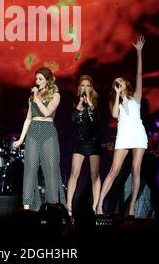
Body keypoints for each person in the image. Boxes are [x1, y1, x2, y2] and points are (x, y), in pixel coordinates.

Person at [97, 35, 148, 217]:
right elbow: (114, 115)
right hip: (124, 135)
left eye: (120, 82)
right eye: (115, 84)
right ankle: (99, 205)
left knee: (136, 170)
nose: (118, 84)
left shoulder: (136, 98)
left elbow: (139, 75)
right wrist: (117, 94)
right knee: (114, 170)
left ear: (126, 83)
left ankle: (132, 207)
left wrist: (139, 52)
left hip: (138, 134)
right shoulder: (116, 102)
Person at [13, 67, 66, 211]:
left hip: (48, 131)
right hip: (33, 131)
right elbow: (28, 118)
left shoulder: (55, 95)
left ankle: (53, 205)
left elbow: (47, 112)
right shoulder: (32, 96)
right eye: (36, 79)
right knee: (30, 169)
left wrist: (36, 98)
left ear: (48, 80)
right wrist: (21, 139)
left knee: (50, 169)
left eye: (40, 79)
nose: (37, 82)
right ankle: (27, 205)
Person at [66, 75, 101, 217]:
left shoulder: (97, 101)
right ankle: (69, 207)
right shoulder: (76, 102)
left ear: (91, 88)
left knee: (95, 175)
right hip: (80, 141)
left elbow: (98, 118)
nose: (85, 88)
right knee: (74, 174)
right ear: (79, 88)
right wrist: (81, 102)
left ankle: (94, 207)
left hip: (93, 142)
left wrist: (90, 103)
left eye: (87, 85)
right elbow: (73, 119)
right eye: (82, 85)